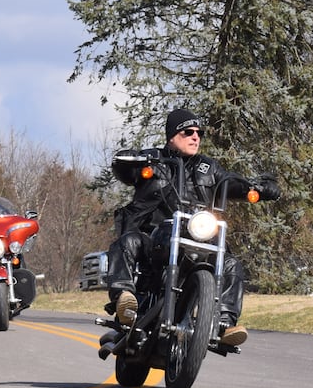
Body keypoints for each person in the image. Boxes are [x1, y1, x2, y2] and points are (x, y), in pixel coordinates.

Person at [104, 108, 278, 349]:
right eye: (188, 132)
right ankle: (125, 297)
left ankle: (224, 323)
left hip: (196, 239)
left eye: (199, 133)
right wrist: (129, 160)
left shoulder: (209, 168)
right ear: (172, 136)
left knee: (230, 264)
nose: (195, 137)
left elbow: (231, 182)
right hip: (154, 238)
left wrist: (258, 188)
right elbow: (123, 168)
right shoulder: (154, 160)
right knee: (128, 241)